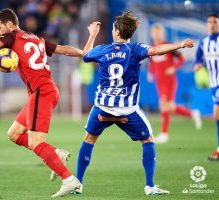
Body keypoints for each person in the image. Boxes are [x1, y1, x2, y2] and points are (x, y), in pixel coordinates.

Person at [0, 8, 98, 197]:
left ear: (10, 25)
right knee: (13, 134)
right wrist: (84, 49)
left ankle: (70, 180)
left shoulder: (11, 37)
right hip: (49, 91)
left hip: (41, 93)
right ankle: (55, 154)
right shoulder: (35, 38)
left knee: (36, 143)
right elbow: (64, 49)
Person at [73, 12, 194, 196]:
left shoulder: (103, 50)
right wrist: (180, 44)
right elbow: (156, 50)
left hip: (102, 108)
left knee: (89, 139)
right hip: (127, 111)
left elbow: (85, 55)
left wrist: (92, 34)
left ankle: (78, 183)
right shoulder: (135, 49)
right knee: (148, 140)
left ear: (116, 32)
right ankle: (150, 185)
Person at [148, 23, 201, 144]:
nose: (156, 34)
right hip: (159, 82)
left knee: (164, 106)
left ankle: (164, 134)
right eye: (154, 32)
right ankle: (192, 113)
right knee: (168, 107)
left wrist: (173, 67)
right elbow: (151, 62)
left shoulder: (168, 46)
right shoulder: (152, 47)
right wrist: (151, 73)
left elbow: (181, 59)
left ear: (162, 33)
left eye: (158, 32)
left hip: (169, 81)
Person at [194, 13, 219, 161]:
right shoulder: (204, 42)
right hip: (213, 84)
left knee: (216, 114)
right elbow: (199, 59)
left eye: (215, 22)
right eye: (209, 22)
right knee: (217, 117)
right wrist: (197, 65)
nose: (212, 24)